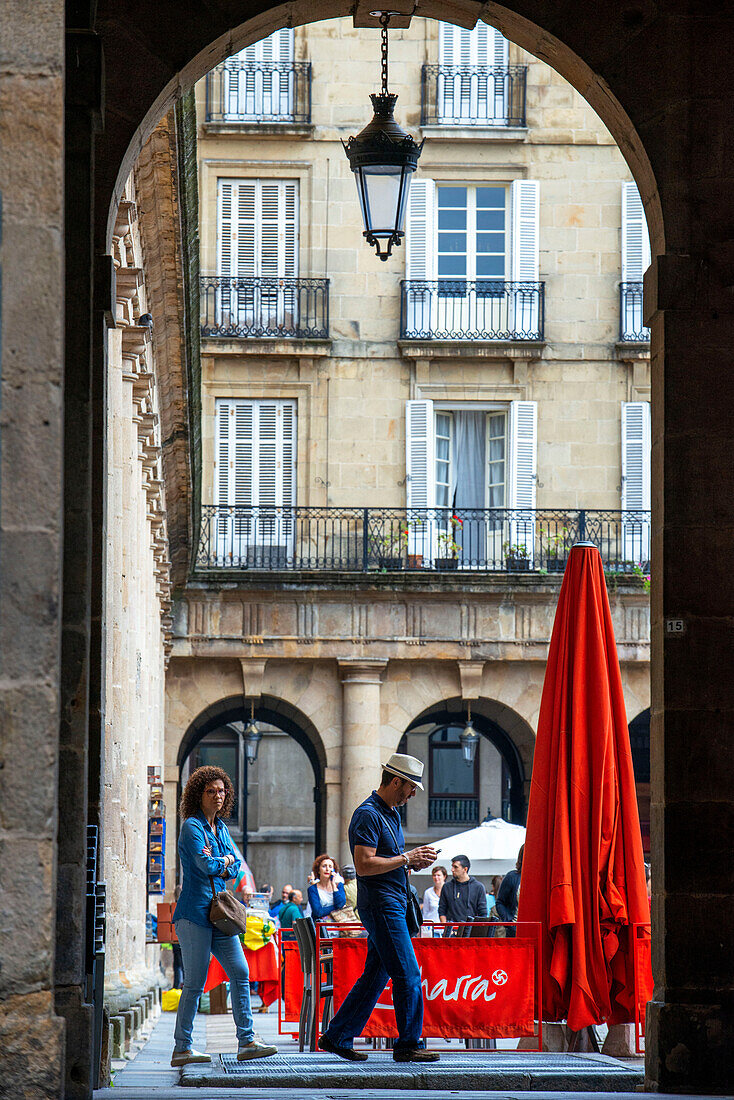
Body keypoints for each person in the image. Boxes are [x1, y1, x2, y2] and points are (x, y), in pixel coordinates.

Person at [318, 753, 440, 1064]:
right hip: (383, 906)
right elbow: (363, 864)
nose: (413, 794)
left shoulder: (391, 815)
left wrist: (411, 862)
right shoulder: (368, 814)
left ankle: (336, 1036)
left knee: (375, 974)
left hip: (391, 903)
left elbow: (385, 862)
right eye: (411, 787)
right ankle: (408, 1044)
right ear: (395, 781)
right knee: (408, 974)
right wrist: (407, 859)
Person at [171, 765, 278, 1066]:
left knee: (241, 971)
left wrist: (225, 861)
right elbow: (207, 867)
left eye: (221, 791)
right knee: (195, 981)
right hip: (194, 914)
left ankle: (247, 1041)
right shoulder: (192, 827)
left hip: (220, 915)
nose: (218, 796)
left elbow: (234, 869)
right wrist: (225, 861)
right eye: (211, 791)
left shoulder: (221, 829)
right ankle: (182, 1048)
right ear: (198, 794)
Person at [438, 855, 488, 930]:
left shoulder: (478, 887)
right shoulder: (447, 887)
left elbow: (483, 913)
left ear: (465, 869)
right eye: (452, 866)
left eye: (456, 867)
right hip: (451, 932)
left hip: (471, 932)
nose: (452, 870)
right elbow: (442, 910)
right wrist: (447, 928)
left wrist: (476, 930)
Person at [495, 844, 523, 937]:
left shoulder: (541, 878)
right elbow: (500, 902)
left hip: (536, 928)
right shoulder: (512, 877)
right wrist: (509, 922)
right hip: (515, 930)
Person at [307, 854, 347, 921]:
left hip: (339, 928)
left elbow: (341, 903)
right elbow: (318, 912)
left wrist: (334, 886)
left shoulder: (339, 885)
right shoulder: (313, 889)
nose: (327, 869)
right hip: (320, 928)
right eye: (324, 866)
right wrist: (336, 908)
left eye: (330, 867)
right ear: (318, 870)